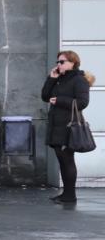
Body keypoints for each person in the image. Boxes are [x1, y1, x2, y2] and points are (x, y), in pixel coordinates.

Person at [42, 50, 94, 203]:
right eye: (58, 61)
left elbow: (82, 103)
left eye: (62, 62)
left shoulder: (79, 80)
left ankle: (70, 195)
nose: (59, 64)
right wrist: (51, 78)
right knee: (62, 160)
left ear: (73, 63)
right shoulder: (59, 79)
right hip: (56, 125)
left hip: (68, 126)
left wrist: (59, 100)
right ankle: (66, 194)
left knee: (67, 160)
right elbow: (45, 96)